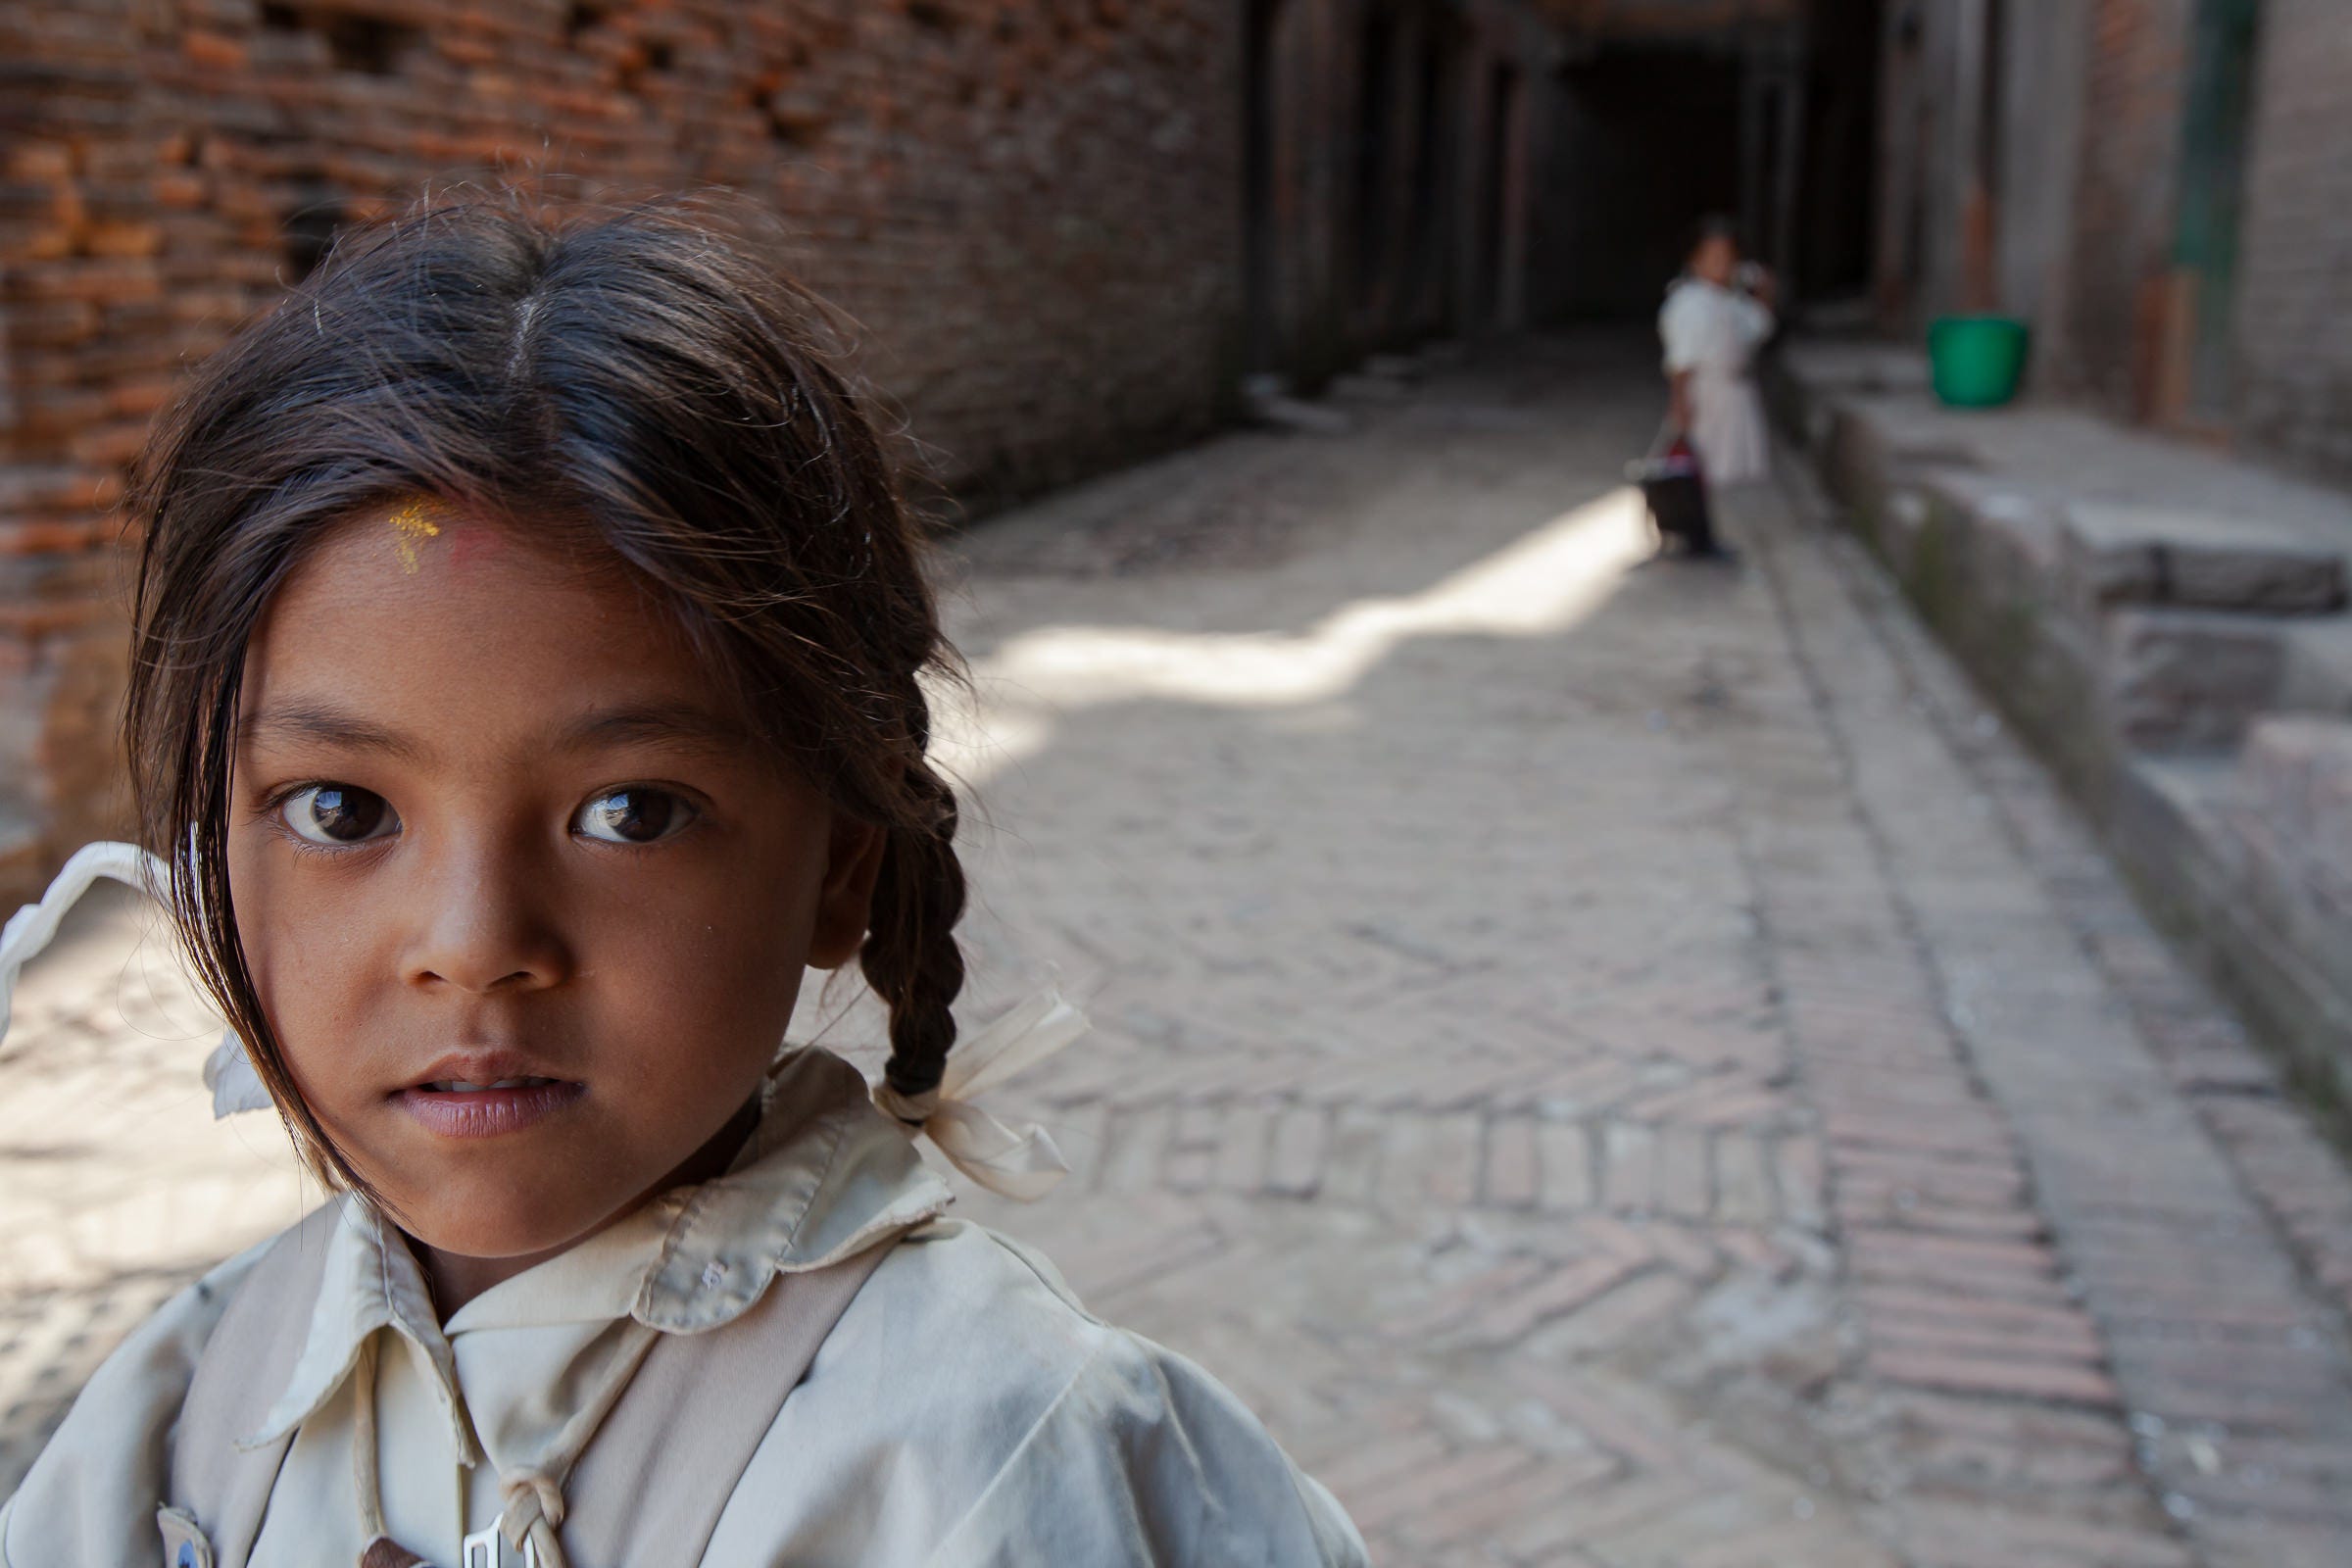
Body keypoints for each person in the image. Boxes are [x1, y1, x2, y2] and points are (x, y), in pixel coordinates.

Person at [0, 189, 1369, 1568]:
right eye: (342, 810)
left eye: (632, 812)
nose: (473, 946)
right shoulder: (184, 1420)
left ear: (843, 859)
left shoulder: (972, 1459)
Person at [1659, 216, 1776, 491]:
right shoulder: (1689, 302)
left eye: (1727, 256)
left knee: (1733, 477)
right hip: (1706, 399)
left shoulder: (1730, 301)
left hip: (1735, 396)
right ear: (1695, 260)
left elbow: (1760, 325)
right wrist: (1680, 403)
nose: (1720, 264)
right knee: (1703, 473)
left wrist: (1764, 289)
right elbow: (1681, 361)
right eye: (1712, 256)